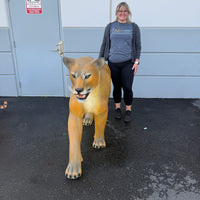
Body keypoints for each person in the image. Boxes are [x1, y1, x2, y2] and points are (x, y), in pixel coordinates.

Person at [99, 1, 141, 122]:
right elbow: (104, 45)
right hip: (113, 63)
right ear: (116, 13)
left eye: (125, 11)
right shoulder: (110, 26)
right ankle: (117, 108)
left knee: (127, 87)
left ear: (128, 13)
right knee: (116, 87)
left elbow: (138, 46)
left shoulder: (134, 27)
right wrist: (100, 61)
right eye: (120, 11)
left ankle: (128, 110)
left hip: (128, 62)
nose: (122, 13)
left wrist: (136, 62)